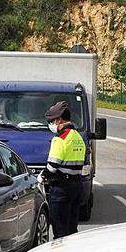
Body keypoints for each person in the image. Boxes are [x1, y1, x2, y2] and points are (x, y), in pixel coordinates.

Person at [39, 100, 86, 238]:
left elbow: (52, 166)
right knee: (72, 229)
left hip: (62, 189)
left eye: (52, 121)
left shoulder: (60, 139)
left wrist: (42, 177)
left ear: (59, 120)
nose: (51, 125)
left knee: (60, 230)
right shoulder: (77, 137)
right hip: (77, 185)